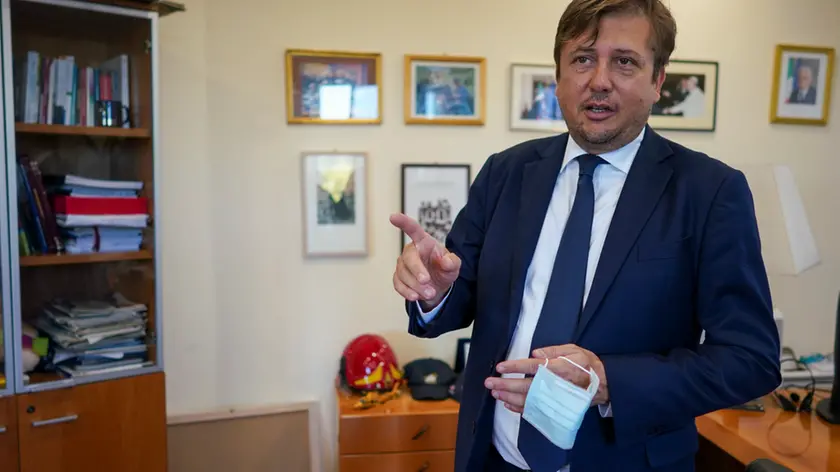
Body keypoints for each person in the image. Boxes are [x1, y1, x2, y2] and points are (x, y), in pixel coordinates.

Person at [390, 0, 782, 471]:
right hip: (494, 459)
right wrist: (435, 293)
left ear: (658, 81)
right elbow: (462, 298)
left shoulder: (710, 191)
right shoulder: (506, 172)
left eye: (624, 61)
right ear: (558, 78)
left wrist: (608, 380)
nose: (599, 80)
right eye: (583, 59)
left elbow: (750, 359)